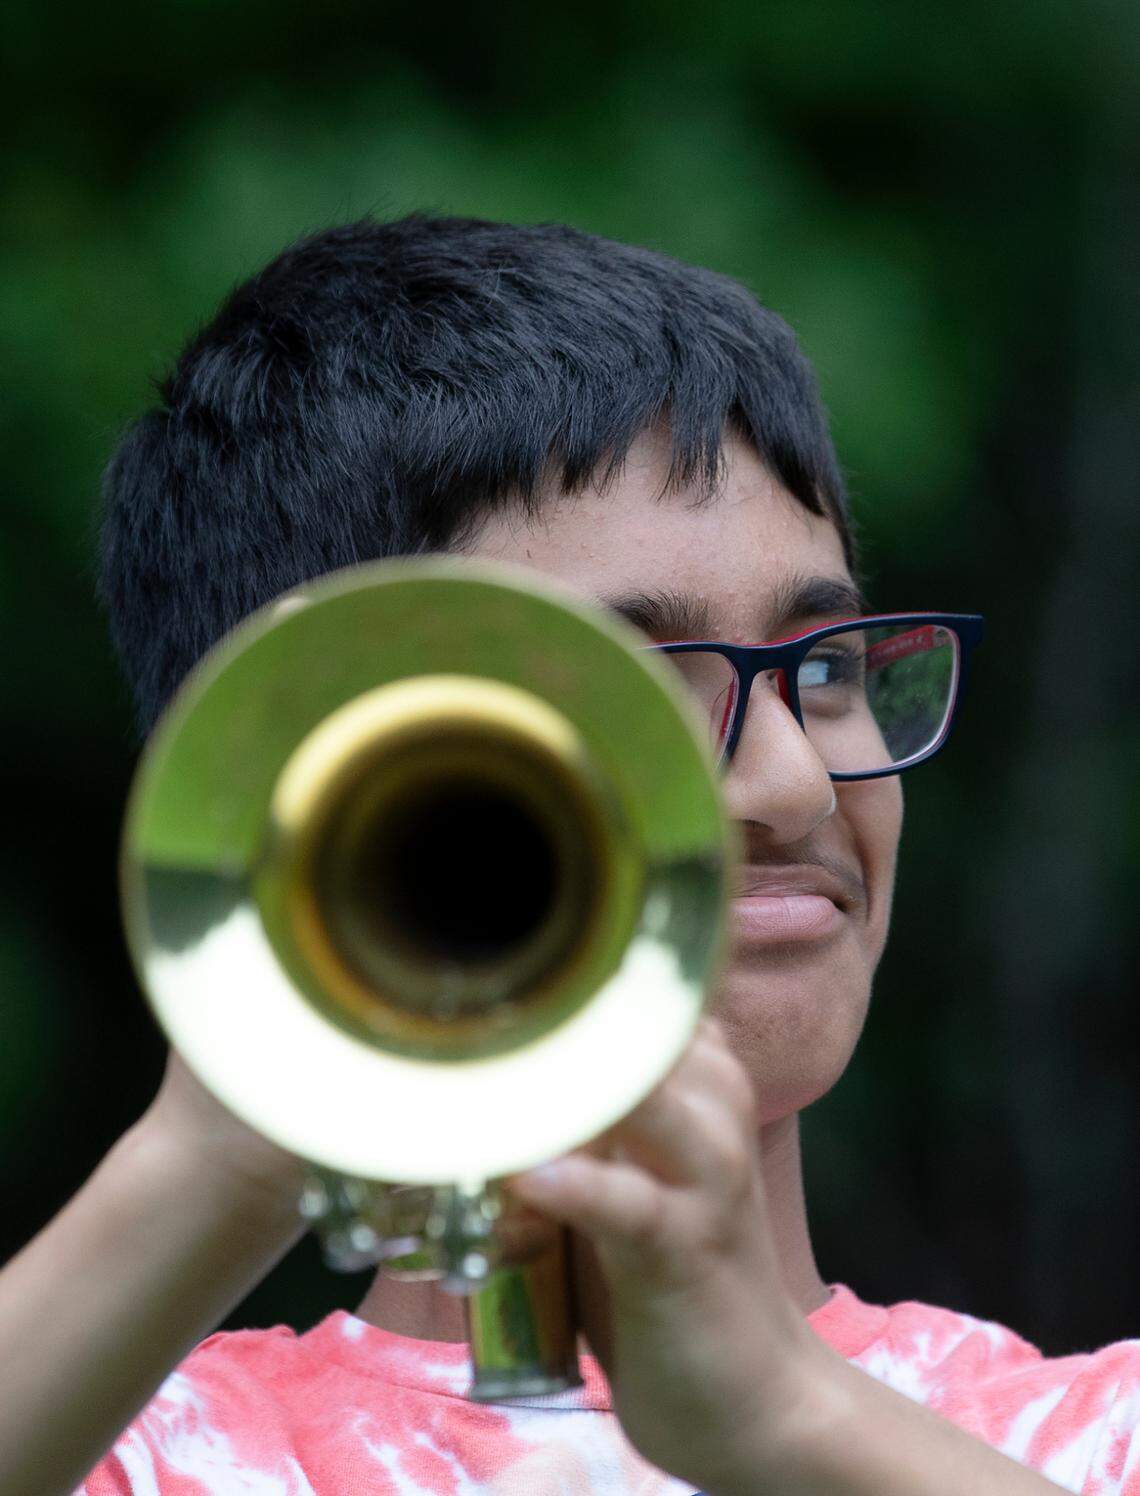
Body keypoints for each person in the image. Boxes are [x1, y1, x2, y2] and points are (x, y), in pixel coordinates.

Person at [2, 215, 1136, 1496]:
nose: (795, 779)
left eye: (822, 668)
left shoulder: (1101, 1432)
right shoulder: (127, 1455)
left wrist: (782, 1414)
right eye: (634, 688)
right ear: (343, 786)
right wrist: (219, 1156)